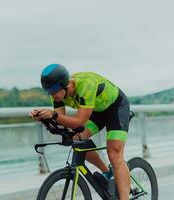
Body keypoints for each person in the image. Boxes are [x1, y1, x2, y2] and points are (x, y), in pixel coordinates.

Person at [30, 63, 130, 200]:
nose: (52, 95)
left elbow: (79, 121)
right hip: (96, 111)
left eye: (53, 91)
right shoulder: (57, 94)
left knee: (114, 154)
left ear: (64, 85)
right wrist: (44, 118)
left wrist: (53, 114)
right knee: (76, 139)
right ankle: (108, 172)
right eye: (48, 92)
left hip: (116, 107)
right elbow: (62, 121)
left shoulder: (85, 85)